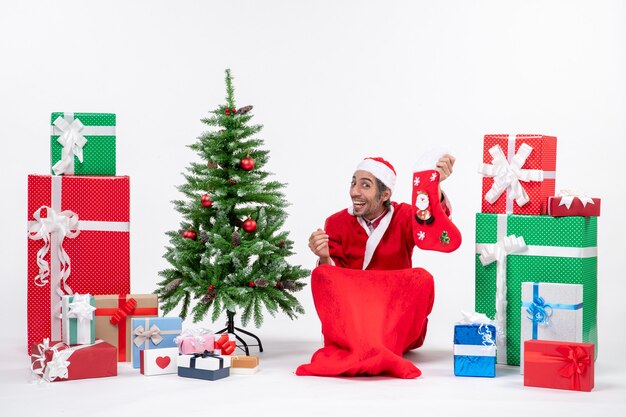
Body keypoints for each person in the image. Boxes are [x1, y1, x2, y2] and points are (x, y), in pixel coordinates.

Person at [308, 155, 455, 271]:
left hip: (395, 303)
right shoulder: (336, 223)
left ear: (385, 194)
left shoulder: (404, 217)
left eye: (365, 185)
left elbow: (433, 226)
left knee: (423, 278)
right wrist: (324, 257)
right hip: (353, 304)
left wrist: (433, 185)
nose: (354, 192)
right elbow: (333, 278)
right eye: (353, 183)